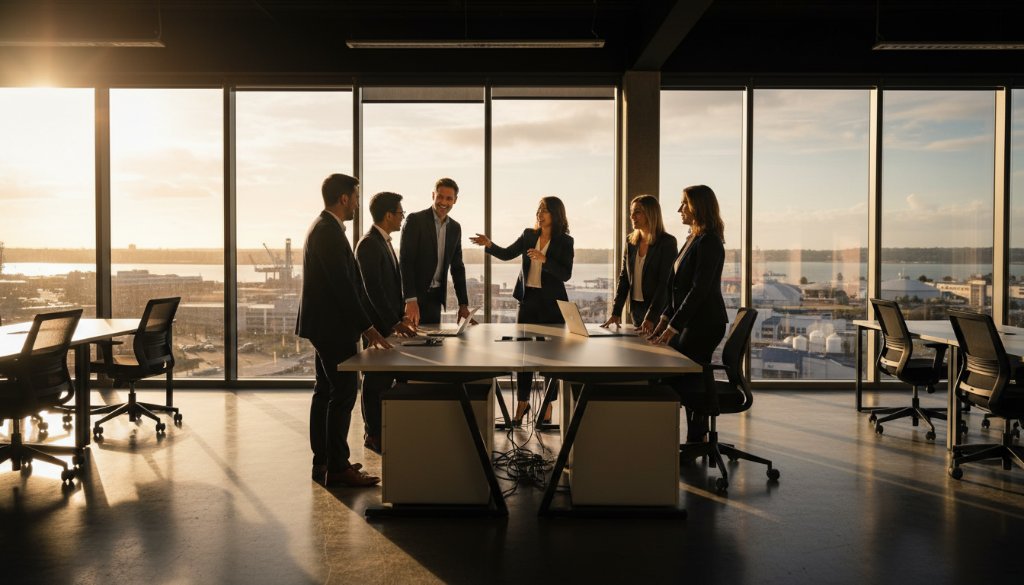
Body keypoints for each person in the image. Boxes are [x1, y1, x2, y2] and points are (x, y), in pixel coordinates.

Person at [296, 173, 391, 487]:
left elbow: (347, 284)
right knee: (343, 393)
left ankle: (324, 461)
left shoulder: (324, 227)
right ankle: (337, 468)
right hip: (333, 328)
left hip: (325, 326)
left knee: (325, 392)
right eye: (356, 198)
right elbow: (344, 288)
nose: (357, 204)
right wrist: (368, 327)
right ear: (344, 198)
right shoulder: (328, 232)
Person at [470, 196, 574, 426]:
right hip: (527, 301)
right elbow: (507, 253)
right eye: (539, 209)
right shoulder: (529, 234)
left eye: (545, 210)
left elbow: (566, 274)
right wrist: (489, 244)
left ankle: (547, 405)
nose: (539, 213)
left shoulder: (565, 241)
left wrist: (544, 259)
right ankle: (522, 402)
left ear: (556, 214)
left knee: (551, 357)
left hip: (552, 305)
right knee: (524, 355)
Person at [648, 185, 728, 444]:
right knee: (685, 375)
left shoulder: (710, 241)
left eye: (684, 203)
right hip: (690, 321)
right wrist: (664, 319)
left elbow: (698, 290)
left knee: (686, 375)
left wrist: (673, 327)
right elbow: (677, 287)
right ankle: (697, 437)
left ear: (698, 207)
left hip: (704, 323)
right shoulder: (693, 238)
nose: (679, 209)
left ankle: (697, 438)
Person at [354, 192, 416, 455]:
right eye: (400, 212)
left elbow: (391, 287)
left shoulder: (384, 242)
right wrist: (393, 323)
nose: (402, 217)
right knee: (374, 382)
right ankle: (373, 434)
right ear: (389, 215)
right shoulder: (369, 244)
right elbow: (373, 290)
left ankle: (383, 430)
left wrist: (401, 316)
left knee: (383, 380)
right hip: (377, 327)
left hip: (388, 325)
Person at [399, 177, 471, 326]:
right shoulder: (415, 220)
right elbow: (406, 262)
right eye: (440, 197)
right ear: (433, 195)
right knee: (411, 339)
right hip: (413, 299)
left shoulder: (455, 228)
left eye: (449, 198)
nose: (443, 202)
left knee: (433, 339)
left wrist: (463, 304)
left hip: (435, 299)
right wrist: (410, 299)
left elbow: (457, 268)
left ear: (455, 200)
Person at [603, 194, 678, 330]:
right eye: (631, 212)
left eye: (637, 212)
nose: (632, 217)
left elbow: (665, 283)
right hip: (636, 311)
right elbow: (624, 279)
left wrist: (651, 317)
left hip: (658, 312)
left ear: (651, 214)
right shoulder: (630, 241)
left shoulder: (667, 242)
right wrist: (616, 312)